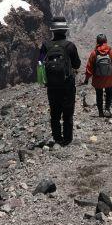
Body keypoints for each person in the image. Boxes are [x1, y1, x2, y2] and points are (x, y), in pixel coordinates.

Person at [39, 17, 81, 146]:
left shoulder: (45, 46)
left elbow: (40, 64)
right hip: (67, 85)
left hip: (52, 86)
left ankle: (57, 138)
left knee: (54, 113)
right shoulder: (70, 46)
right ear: (64, 30)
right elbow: (77, 64)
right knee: (68, 113)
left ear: (53, 31)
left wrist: (43, 81)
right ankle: (67, 139)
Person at [84, 34, 112, 118]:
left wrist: (86, 79)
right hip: (109, 79)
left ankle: (100, 112)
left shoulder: (94, 53)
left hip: (97, 79)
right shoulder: (111, 51)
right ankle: (107, 110)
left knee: (99, 95)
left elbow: (89, 68)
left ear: (97, 42)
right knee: (109, 94)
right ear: (106, 41)